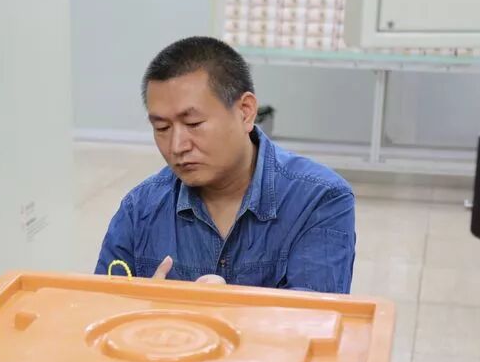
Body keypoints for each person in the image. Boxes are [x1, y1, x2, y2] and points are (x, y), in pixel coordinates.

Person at [95, 36, 356, 293]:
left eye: (193, 124)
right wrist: (146, 309)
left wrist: (230, 307)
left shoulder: (318, 199)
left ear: (245, 111)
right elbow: (97, 307)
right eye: (162, 127)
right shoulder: (140, 210)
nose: (177, 146)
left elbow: (315, 315)